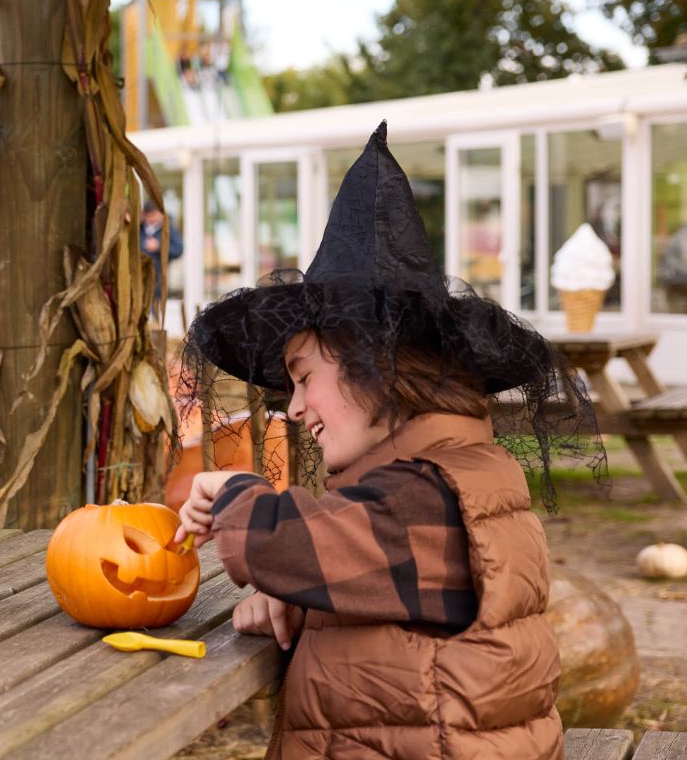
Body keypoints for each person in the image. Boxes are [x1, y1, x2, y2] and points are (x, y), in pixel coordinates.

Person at [172, 123, 598, 759]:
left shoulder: (436, 499)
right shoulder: (443, 478)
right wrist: (304, 596)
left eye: (304, 377)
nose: (294, 408)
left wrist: (237, 492)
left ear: (377, 364)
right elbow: (349, 565)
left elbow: (290, 541)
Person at [140, 200, 182, 304]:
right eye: (148, 216)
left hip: (159, 279)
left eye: (153, 215)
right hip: (139, 279)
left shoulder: (168, 230)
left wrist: (159, 246)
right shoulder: (139, 229)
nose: (150, 219)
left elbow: (178, 249)